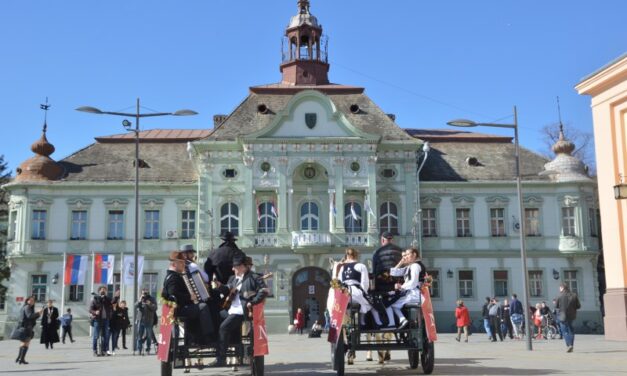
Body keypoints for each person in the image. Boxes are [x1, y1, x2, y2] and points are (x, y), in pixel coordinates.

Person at [210, 254, 268, 367]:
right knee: (214, 317)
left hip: (242, 312)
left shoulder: (254, 277)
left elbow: (264, 290)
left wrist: (253, 302)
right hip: (232, 310)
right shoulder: (234, 278)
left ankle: (221, 358)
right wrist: (219, 285)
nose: (232, 269)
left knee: (223, 327)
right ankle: (223, 342)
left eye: (235, 267)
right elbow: (228, 289)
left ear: (243, 266)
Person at [162, 250, 215, 347]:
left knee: (197, 306)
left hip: (179, 307)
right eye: (181, 262)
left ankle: (192, 338)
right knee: (203, 307)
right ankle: (208, 338)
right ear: (174, 264)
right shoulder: (174, 277)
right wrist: (190, 297)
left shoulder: (172, 276)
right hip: (179, 309)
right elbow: (173, 294)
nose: (183, 265)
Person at [338, 248, 384, 329]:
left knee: (365, 301)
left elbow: (339, 282)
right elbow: (365, 283)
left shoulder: (342, 268)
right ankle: (371, 322)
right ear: (357, 256)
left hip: (344, 294)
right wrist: (365, 292)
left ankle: (355, 321)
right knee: (372, 302)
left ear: (347, 256)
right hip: (355, 292)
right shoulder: (361, 266)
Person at [389, 247, 426, 329]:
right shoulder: (410, 266)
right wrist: (401, 262)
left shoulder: (415, 266)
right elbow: (393, 273)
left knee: (391, 303)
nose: (406, 256)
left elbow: (413, 282)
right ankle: (403, 320)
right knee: (393, 303)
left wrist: (401, 287)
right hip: (412, 292)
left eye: (408, 254)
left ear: (414, 255)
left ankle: (401, 321)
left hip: (414, 293)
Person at [89, 285, 120, 356]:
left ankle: (104, 350)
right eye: (102, 290)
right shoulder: (95, 299)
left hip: (106, 320)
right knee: (96, 336)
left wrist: (116, 296)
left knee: (105, 336)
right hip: (97, 320)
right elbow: (90, 309)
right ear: (99, 291)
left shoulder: (107, 299)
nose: (103, 291)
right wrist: (95, 312)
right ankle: (95, 351)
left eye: (104, 290)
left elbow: (112, 302)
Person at [14, 296, 43, 364]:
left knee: (23, 343)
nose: (32, 302)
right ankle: (22, 359)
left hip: (25, 327)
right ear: (27, 301)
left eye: (33, 301)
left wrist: (39, 314)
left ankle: (19, 357)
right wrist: (38, 313)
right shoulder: (27, 307)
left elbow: (31, 318)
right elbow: (29, 316)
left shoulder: (26, 307)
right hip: (26, 328)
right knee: (26, 343)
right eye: (30, 300)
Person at [555, 283, 581, 352]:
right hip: (571, 316)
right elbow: (578, 306)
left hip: (562, 316)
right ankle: (571, 345)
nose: (559, 289)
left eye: (560, 288)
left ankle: (569, 345)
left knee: (565, 331)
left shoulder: (559, 295)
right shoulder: (574, 295)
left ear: (562, 288)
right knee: (571, 331)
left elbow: (556, 306)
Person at [134, 288, 157, 355]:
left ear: (148, 292)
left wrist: (149, 303)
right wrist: (140, 300)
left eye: (146, 293)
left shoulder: (152, 299)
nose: (145, 294)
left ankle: (148, 349)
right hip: (140, 320)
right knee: (139, 335)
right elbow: (135, 306)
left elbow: (155, 308)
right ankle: (139, 349)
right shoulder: (141, 299)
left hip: (149, 320)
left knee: (149, 336)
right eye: (143, 293)